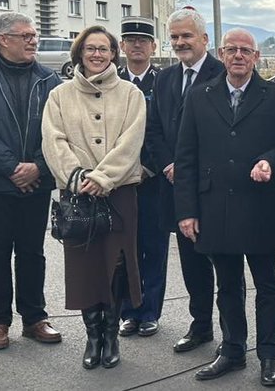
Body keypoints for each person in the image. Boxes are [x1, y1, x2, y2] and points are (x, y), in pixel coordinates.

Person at [174, 28, 275, 387]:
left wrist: (270, 162)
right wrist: (187, 210)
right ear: (221, 53)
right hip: (214, 207)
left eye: (246, 50)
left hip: (259, 207)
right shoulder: (200, 97)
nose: (238, 56)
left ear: (257, 58)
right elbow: (186, 158)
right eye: (232, 50)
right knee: (227, 285)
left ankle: (268, 355)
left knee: (266, 285)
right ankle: (231, 350)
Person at [42, 25, 147, 369]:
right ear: (80, 54)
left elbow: (131, 142)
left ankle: (112, 334)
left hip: (119, 192)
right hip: (77, 195)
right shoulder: (60, 95)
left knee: (116, 265)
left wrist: (103, 177)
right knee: (85, 265)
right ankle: (93, 336)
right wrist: (77, 177)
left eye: (104, 49)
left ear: (114, 53)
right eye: (91, 49)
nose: (97, 55)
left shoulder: (131, 94)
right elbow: (53, 140)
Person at [0, 13, 63, 351]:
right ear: (3, 39)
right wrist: (11, 168)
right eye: (26, 36)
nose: (33, 41)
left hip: (36, 183)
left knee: (32, 252)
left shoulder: (48, 79)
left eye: (34, 35)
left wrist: (36, 166)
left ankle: (35, 318)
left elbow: (55, 130)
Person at [144, 8, 224, 353]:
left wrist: (191, 167)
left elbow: (228, 133)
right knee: (191, 263)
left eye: (186, 36)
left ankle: (232, 335)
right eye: (174, 37)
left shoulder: (223, 74)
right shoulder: (163, 78)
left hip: (213, 187)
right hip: (175, 186)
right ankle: (200, 326)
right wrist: (169, 165)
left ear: (204, 39)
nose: (180, 43)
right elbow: (154, 129)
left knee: (224, 265)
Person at [115, 17, 166, 339]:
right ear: (122, 46)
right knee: (123, 250)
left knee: (154, 247)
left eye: (143, 40)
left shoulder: (163, 83)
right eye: (130, 40)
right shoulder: (112, 81)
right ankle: (128, 312)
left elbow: (165, 130)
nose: (136, 45)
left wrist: (150, 166)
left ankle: (149, 311)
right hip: (119, 180)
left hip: (153, 179)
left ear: (153, 47)